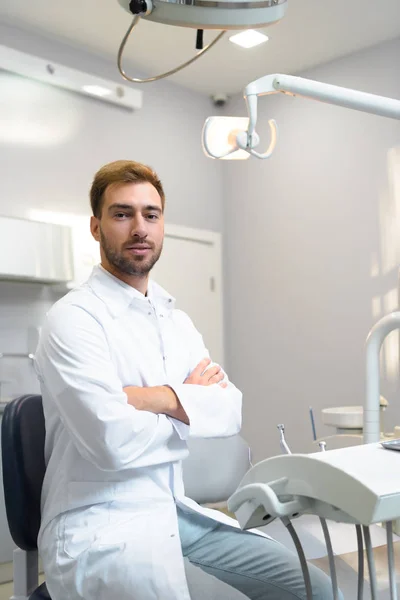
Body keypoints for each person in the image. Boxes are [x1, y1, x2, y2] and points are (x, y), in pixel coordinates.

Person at [35, 160, 340, 600]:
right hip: (102, 525)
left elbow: (229, 409)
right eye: (122, 214)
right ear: (96, 227)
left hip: (175, 512)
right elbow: (111, 442)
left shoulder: (176, 321)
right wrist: (190, 406)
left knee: (320, 591)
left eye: (151, 215)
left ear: (162, 225)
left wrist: (151, 398)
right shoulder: (72, 320)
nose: (139, 227)